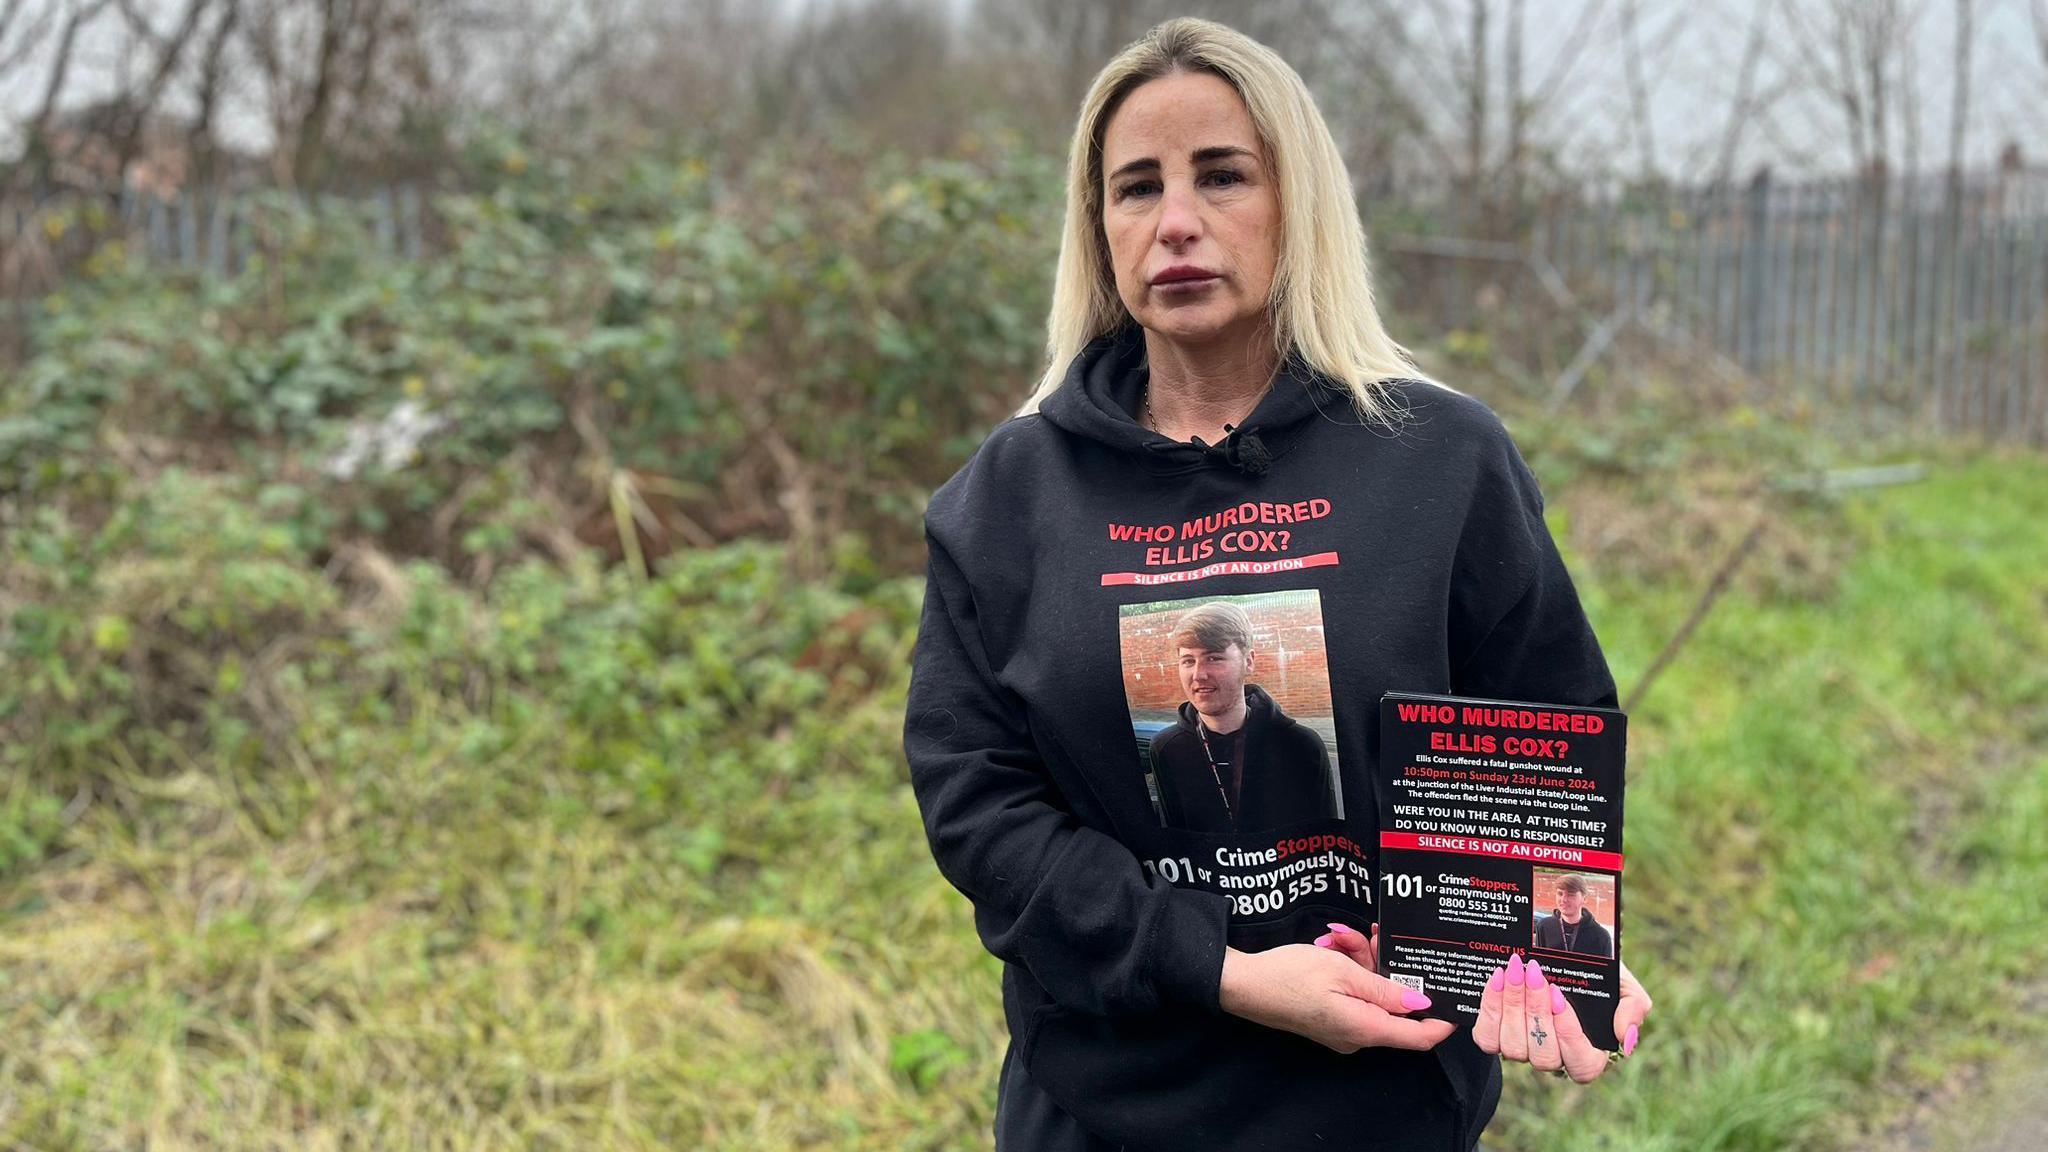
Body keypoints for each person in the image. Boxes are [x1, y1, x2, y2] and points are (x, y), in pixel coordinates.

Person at [901, 17, 1653, 1151]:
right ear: (1096, 226)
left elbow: (1541, 739)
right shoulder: (1004, 501)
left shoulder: (1440, 459)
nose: (1176, 223)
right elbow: (980, 809)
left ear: (1295, 199)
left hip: (1379, 1101)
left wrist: (1553, 948)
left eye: (1221, 175)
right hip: (1103, 1104)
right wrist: (1220, 969)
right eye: (1135, 188)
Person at [1147, 601, 1337, 832]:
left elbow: (1327, 844)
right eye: (1188, 661)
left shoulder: (1302, 745)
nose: (1199, 674)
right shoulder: (1167, 748)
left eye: (1213, 658)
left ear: (1248, 662)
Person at [1534, 874, 1614, 958]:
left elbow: (1605, 970)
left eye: (1571, 894)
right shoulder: (1543, 926)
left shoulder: (1601, 936)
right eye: (1560, 894)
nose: (1564, 899)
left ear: (1584, 898)